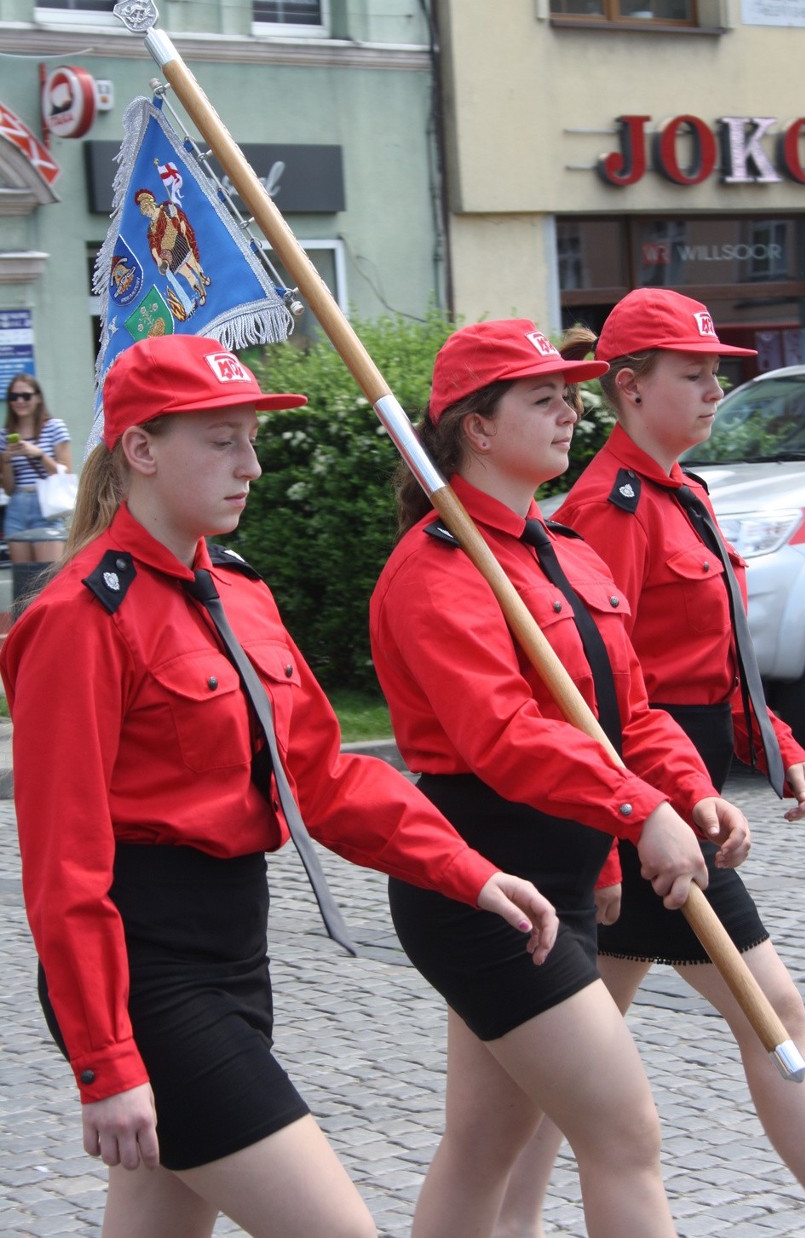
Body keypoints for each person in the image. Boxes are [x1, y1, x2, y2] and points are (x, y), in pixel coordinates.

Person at [0, 333, 559, 1238]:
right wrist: (105, 1059)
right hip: (150, 977)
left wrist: (469, 872)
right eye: (222, 439)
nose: (251, 466)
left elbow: (325, 778)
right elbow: (64, 864)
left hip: (235, 955)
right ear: (140, 449)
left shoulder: (239, 592)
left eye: (252, 440)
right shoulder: (79, 617)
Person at [369, 318, 752, 1238]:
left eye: (571, 394)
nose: (570, 412)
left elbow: (632, 713)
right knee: (624, 1130)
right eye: (542, 398)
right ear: (478, 427)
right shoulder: (437, 570)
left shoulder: (563, 550)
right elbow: (502, 737)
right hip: (483, 884)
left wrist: (687, 791)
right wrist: (638, 811)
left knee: (485, 1146)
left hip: (565, 878)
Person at [494, 288, 805, 1238]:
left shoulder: (681, 491)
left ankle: (504, 1224)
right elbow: (605, 687)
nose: (712, 392)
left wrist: (770, 739)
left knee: (560, 1063)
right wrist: (627, 828)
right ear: (628, 387)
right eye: (692, 376)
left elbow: (709, 655)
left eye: (717, 375)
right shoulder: (608, 511)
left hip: (675, 787)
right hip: (640, 804)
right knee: (771, 1003)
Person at [0, 372, 73, 564]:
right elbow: (8, 488)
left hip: (46, 507)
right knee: (24, 580)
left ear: (38, 397)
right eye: (14, 397)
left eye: (26, 395)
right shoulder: (5, 435)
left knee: (46, 579)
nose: (20, 401)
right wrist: (6, 461)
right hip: (17, 507)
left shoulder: (54, 427)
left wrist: (38, 454)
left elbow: (65, 472)